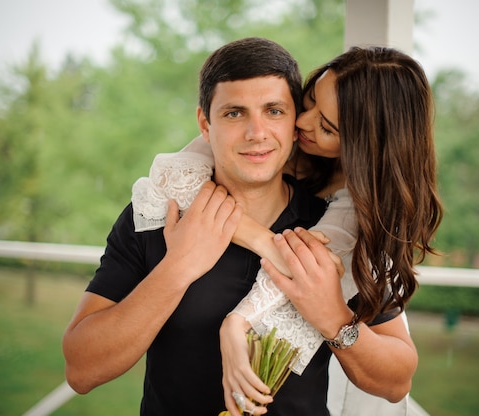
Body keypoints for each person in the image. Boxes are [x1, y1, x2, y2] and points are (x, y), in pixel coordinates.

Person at [131, 46, 443, 416]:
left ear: (362, 148)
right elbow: (176, 173)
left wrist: (327, 317)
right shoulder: (261, 141)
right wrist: (265, 242)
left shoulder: (357, 216)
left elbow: (396, 379)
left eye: (326, 127)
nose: (302, 122)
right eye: (307, 102)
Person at [63, 37, 338, 415]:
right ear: (204, 124)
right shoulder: (154, 214)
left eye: (273, 111)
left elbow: (394, 380)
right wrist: (180, 267)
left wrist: (339, 321)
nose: (256, 132)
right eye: (234, 113)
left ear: (295, 125)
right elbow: (82, 369)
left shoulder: (332, 227)